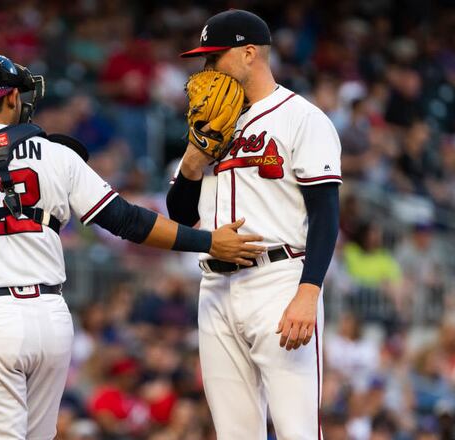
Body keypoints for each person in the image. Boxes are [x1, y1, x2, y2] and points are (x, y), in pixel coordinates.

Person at [0, 51, 264, 440]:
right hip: (51, 320)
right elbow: (126, 221)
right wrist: (208, 241)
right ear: (8, 99)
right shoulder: (55, 154)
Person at [167, 10, 342, 439]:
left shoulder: (302, 117)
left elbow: (325, 213)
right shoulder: (210, 120)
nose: (206, 69)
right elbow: (180, 216)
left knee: (296, 430)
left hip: (279, 281)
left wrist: (308, 290)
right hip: (214, 288)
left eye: (215, 57)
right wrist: (192, 159)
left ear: (249, 54)